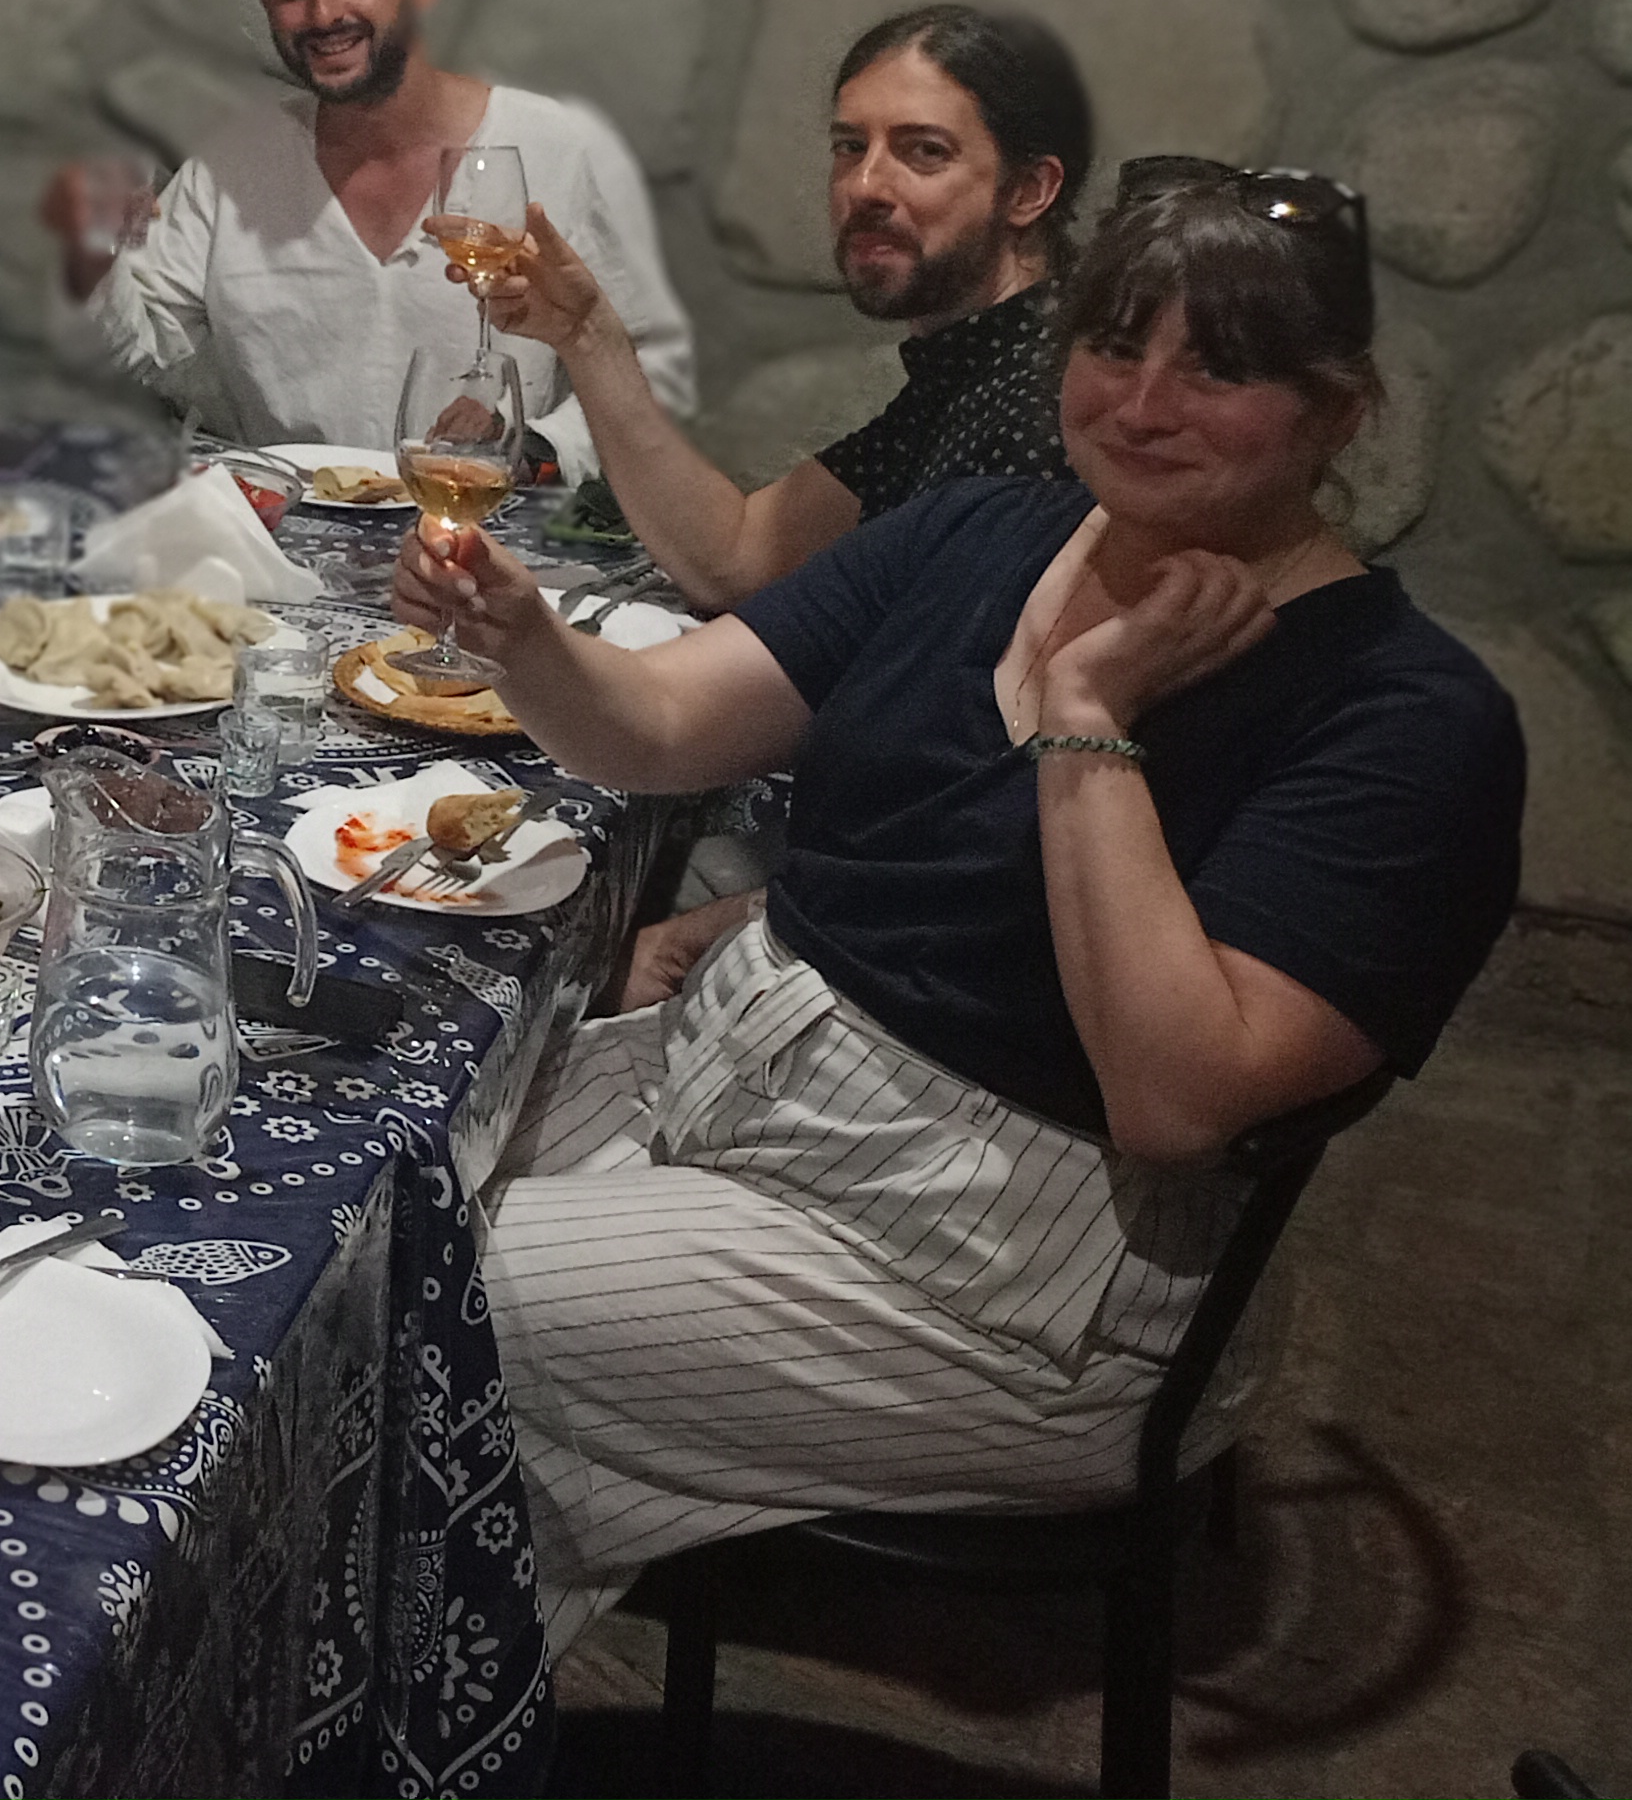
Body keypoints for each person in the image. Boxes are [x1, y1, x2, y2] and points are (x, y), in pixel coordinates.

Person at [389, 160, 1524, 1651]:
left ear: (1338, 411)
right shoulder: (981, 531)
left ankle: (389, 1698)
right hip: (741, 1083)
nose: (1143, 402)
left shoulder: (1406, 716)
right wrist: (523, 637)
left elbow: (1176, 1100)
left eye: (1221, 369)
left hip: (1015, 1273)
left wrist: (1090, 717)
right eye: (1113, 344)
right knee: (358, 1202)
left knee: (407, 1302)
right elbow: (657, 728)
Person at [39, 0, 692, 474]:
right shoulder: (231, 162)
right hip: (283, 534)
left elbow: (647, 364)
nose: (323, 14)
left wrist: (538, 449)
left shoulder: (552, 146)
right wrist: (93, 251)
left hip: (488, 533)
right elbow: (144, 350)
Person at [468, 4, 1090, 607]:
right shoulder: (963, 365)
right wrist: (586, 334)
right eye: (850, 146)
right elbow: (737, 561)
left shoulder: (1048, 402)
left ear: (1028, 190)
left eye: (924, 151)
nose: (864, 185)